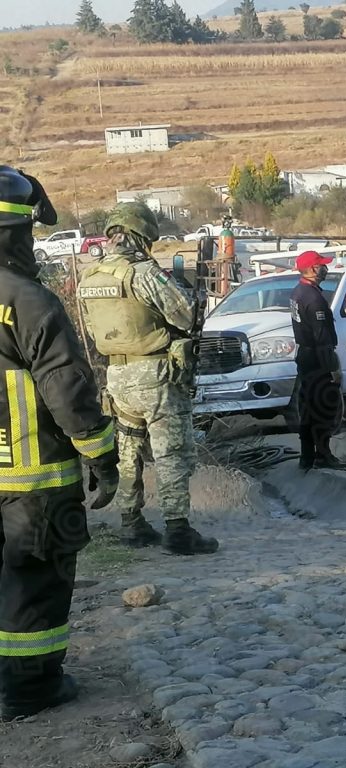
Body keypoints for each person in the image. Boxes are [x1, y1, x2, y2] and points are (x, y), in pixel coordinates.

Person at [0, 166, 119, 720]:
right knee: (35, 581)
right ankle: (30, 689)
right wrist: (102, 456)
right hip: (31, 479)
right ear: (15, 234)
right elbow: (68, 392)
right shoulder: (29, 303)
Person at [78, 202, 217, 555]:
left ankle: (131, 523)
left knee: (128, 451)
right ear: (143, 234)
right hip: (155, 374)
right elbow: (185, 316)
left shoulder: (90, 277)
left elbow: (94, 330)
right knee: (171, 451)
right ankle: (178, 530)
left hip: (116, 374)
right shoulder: (142, 272)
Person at [289, 250, 346, 471]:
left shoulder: (298, 292)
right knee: (323, 407)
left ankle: (306, 457)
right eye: (322, 265)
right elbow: (322, 337)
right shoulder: (314, 299)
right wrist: (332, 368)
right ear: (313, 269)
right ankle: (323, 455)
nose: (325, 268)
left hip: (304, 356)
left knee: (307, 407)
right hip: (318, 357)